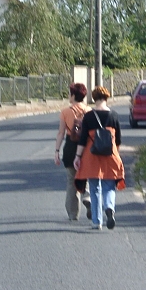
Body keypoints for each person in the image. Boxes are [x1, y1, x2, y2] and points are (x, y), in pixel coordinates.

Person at [74, 86, 125, 230]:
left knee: (95, 188)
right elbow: (118, 139)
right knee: (109, 186)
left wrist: (77, 157)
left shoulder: (88, 116)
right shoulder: (114, 115)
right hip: (110, 155)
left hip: (92, 156)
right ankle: (109, 207)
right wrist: (116, 154)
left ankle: (97, 221)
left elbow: (83, 139)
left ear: (94, 98)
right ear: (107, 98)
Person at [54, 83, 91, 220]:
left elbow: (61, 133)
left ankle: (73, 214)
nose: (68, 96)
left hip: (70, 147)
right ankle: (87, 196)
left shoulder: (65, 112)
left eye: (69, 94)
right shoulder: (89, 111)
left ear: (74, 96)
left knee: (71, 181)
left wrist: (57, 151)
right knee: (86, 176)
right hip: (86, 148)